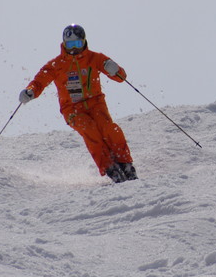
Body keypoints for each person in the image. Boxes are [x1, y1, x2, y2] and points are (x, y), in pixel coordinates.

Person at [19, 25, 137, 183]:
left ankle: (125, 164)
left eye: (77, 44)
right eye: (70, 45)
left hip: (96, 103)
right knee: (90, 130)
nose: (74, 49)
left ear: (84, 42)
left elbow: (120, 77)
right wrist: (30, 91)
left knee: (109, 129)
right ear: (63, 44)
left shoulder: (94, 58)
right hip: (72, 109)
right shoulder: (57, 64)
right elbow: (39, 81)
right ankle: (110, 168)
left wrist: (115, 69)